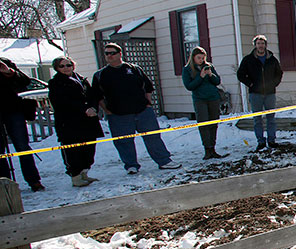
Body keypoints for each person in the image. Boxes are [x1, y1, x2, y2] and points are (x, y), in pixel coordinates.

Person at [90, 43, 181, 173]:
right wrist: (107, 110)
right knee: (124, 141)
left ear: (120, 54)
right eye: (107, 53)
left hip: (143, 112)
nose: (109, 56)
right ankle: (131, 165)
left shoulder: (134, 69)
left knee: (153, 137)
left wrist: (148, 102)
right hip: (118, 115)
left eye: (112, 53)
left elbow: (148, 86)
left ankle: (164, 161)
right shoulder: (101, 75)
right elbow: (97, 95)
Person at [48, 57, 104, 187]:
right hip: (69, 123)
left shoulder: (81, 79)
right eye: (62, 66)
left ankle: (85, 172)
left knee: (89, 149)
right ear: (57, 68)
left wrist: (93, 107)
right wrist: (84, 109)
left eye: (68, 65)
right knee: (73, 150)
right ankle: (76, 176)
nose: (66, 68)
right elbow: (62, 102)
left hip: (88, 121)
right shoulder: (56, 83)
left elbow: (92, 96)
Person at [0, 56, 45, 191]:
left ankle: (34, 180)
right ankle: (5, 184)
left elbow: (25, 81)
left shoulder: (4, 62)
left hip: (13, 111)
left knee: (22, 147)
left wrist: (9, 72)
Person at [237, 35, 283, 150]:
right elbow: (240, 75)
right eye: (258, 43)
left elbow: (279, 73)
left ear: (265, 45)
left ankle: (271, 140)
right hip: (255, 94)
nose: (260, 46)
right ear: (255, 45)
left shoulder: (272, 59)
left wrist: (274, 84)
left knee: (271, 118)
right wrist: (250, 84)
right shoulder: (248, 59)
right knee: (257, 119)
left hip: (270, 93)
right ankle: (260, 141)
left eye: (262, 43)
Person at [182, 46, 227, 160]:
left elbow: (217, 81)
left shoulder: (209, 66)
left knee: (213, 123)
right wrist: (200, 77)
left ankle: (213, 148)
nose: (201, 60)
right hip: (200, 100)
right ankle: (207, 149)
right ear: (193, 58)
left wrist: (210, 74)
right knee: (204, 124)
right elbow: (189, 86)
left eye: (203, 58)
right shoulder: (187, 70)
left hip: (213, 98)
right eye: (199, 58)